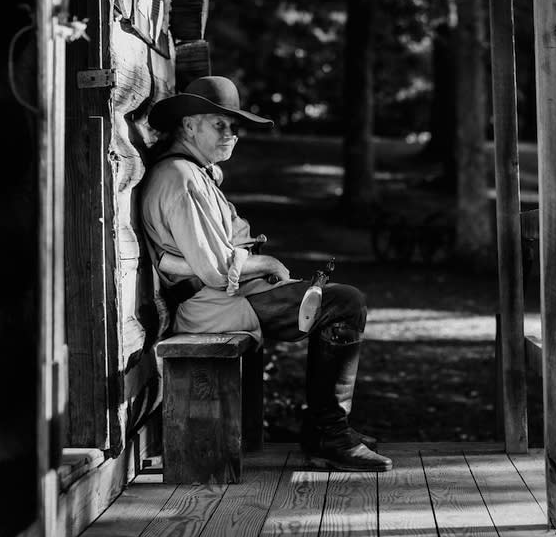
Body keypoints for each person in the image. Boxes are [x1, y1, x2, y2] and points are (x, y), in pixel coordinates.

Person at [140, 76, 391, 473]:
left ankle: (327, 431)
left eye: (233, 127)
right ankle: (329, 432)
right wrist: (267, 264)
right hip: (216, 305)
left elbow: (223, 249)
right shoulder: (179, 178)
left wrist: (245, 259)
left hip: (231, 296)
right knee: (344, 304)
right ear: (189, 125)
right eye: (219, 124)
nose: (231, 134)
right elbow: (217, 269)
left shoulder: (196, 174)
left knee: (334, 302)